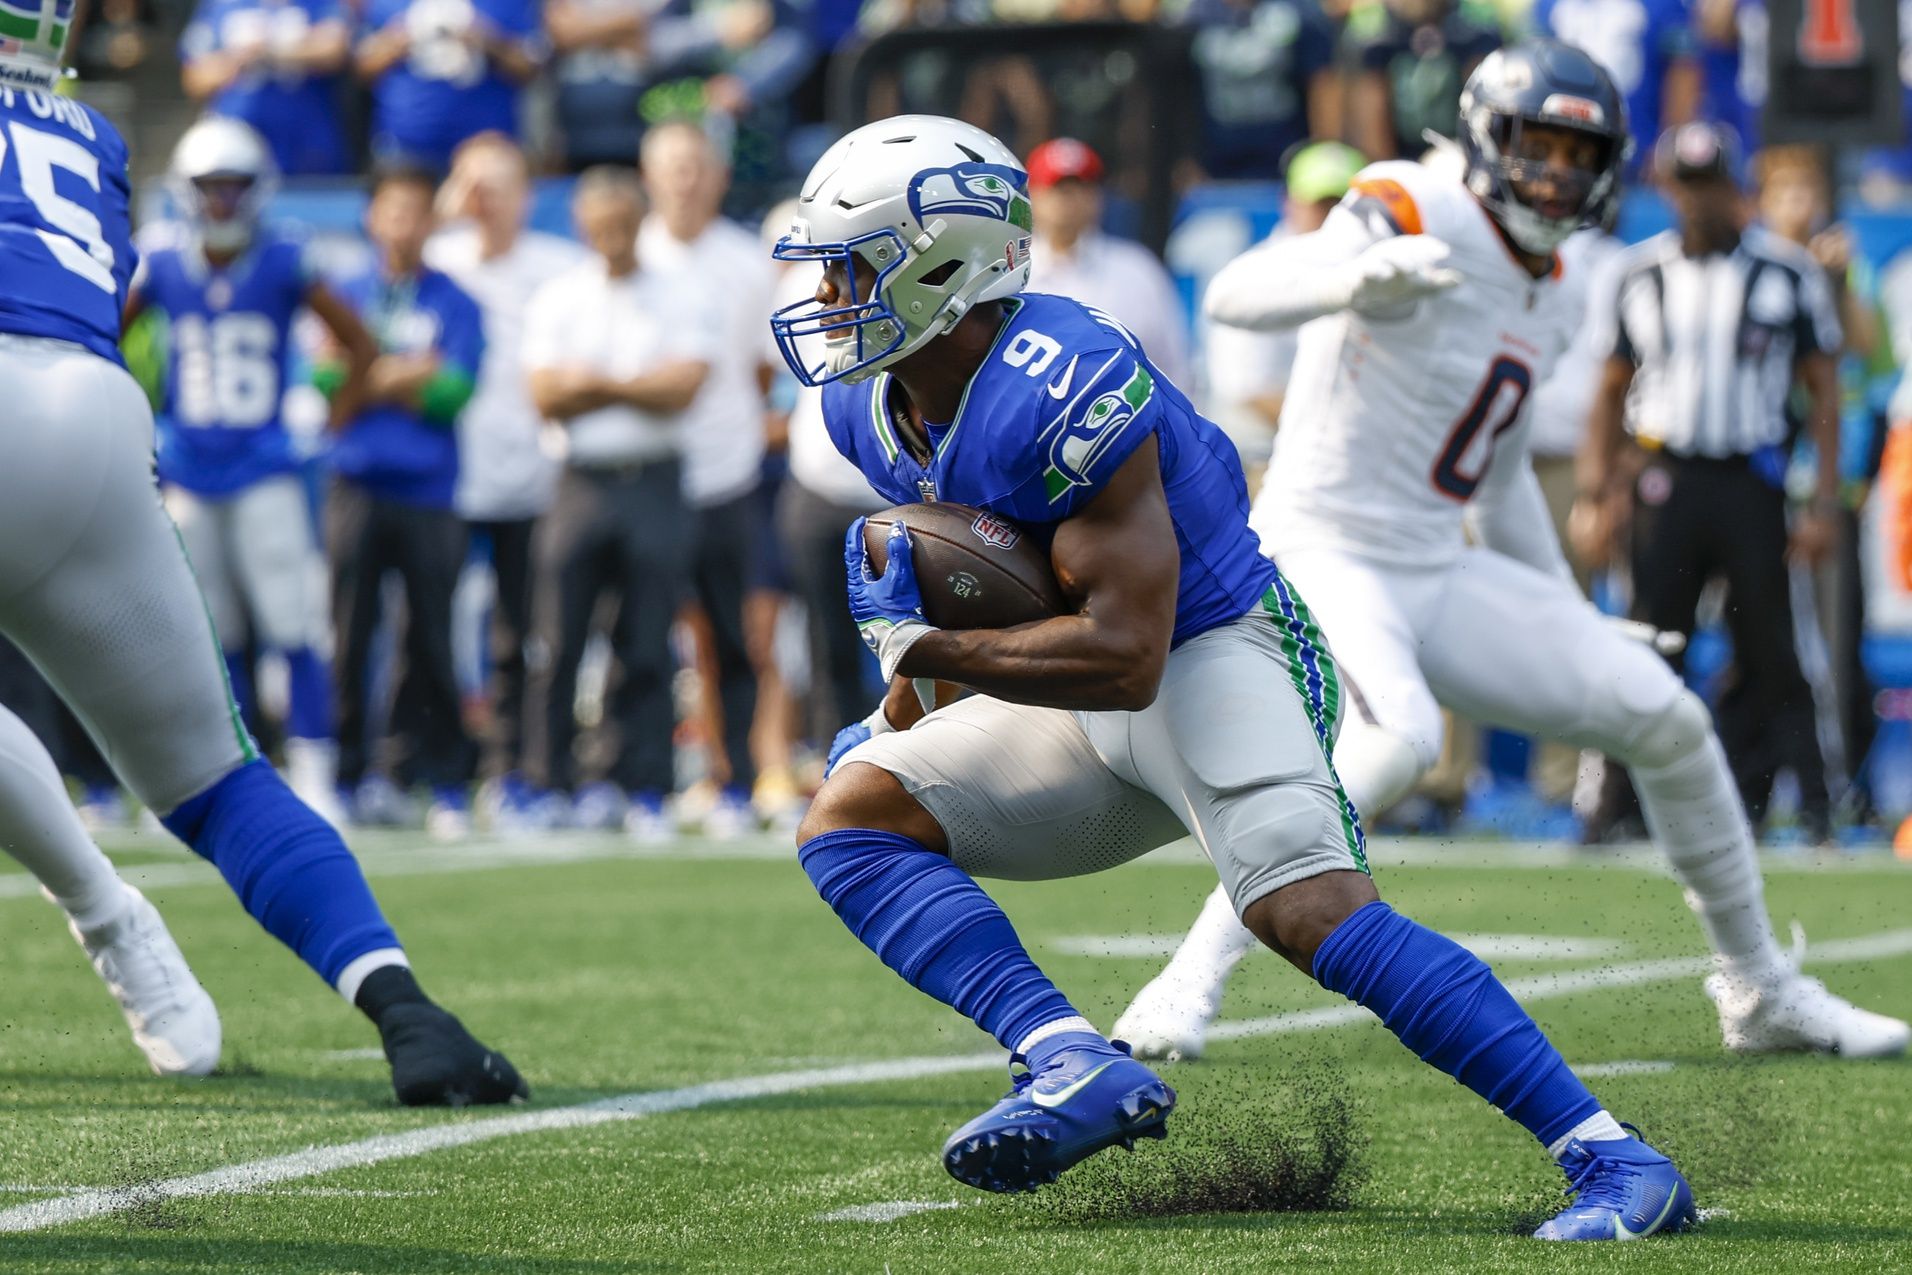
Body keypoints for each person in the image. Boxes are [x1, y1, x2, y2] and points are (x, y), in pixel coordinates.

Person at [775, 111, 1695, 1240]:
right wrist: (902, 706)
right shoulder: (870, 402)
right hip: (1078, 691)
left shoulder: (1060, 384)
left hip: (1216, 656)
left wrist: (923, 649)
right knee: (854, 815)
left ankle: (1614, 1159)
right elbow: (998, 581)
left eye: (852, 267)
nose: (828, 299)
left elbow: (1125, 654)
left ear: (944, 265)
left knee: (1306, 912)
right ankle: (1068, 1058)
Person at [1113, 49, 1907, 1073]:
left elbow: (1488, 476)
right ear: (1486, 136)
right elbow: (1235, 293)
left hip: (1436, 561)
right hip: (1329, 546)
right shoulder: (1415, 200)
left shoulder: (1563, 283)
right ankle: (1186, 980)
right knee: (1393, 740)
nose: (1554, 173)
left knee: (1664, 716)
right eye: (1537, 145)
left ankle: (1756, 989)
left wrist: (1563, 608)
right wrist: (1351, 274)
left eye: (1578, 153)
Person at [0, 6, 523, 1105]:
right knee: (218, 779)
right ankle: (409, 1016)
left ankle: (101, 905)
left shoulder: (257, 258)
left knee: (285, 638)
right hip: (98, 422)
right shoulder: (91, 137)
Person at [1575, 124, 1844, 841]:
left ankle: (1805, 804)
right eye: (1686, 184)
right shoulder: (1636, 274)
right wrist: (1596, 492)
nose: (1699, 199)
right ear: (1667, 188)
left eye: (1711, 183)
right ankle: (1615, 812)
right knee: (1649, 644)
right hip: (1666, 477)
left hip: (1752, 478)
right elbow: (1608, 391)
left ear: (1736, 187)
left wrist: (1820, 499)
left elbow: (1824, 392)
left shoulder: (1786, 272)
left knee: (1773, 648)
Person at [127, 118, 366, 830]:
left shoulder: (288, 258)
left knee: (292, 623)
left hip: (265, 468)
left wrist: (331, 418)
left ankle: (315, 768)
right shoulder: (162, 261)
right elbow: (100, 337)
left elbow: (359, 341)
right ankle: (227, 773)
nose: (224, 202)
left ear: (257, 189)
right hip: (192, 470)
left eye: (234, 187)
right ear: (186, 190)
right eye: (211, 187)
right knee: (210, 633)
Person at [520, 168, 720, 840]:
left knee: (646, 635)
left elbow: (683, 386)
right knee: (559, 636)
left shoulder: (678, 288)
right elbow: (545, 393)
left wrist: (595, 384)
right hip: (581, 479)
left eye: (622, 224)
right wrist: (634, 383)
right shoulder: (559, 295)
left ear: (641, 221)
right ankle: (546, 781)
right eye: (598, 225)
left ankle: (644, 783)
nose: (611, 237)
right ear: (582, 227)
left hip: (653, 478)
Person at [424, 133, 587, 828]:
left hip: (534, 476)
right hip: (447, 476)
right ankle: (439, 771)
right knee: (427, 629)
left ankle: (525, 767)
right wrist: (446, 210)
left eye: (499, 186)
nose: (485, 201)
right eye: (473, 185)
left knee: (529, 633)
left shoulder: (560, 267)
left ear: (526, 195)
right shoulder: (439, 259)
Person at [324, 163, 484, 837]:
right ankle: (346, 773)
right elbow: (326, 382)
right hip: (355, 484)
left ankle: (440, 778)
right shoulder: (343, 293)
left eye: (417, 212)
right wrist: (401, 373)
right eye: (392, 211)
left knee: (431, 635)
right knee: (349, 632)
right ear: (372, 218)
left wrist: (369, 375)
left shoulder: (455, 299)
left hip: (428, 489)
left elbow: (453, 392)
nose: (404, 225)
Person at [637, 120, 778, 837]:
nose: (685, 179)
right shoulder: (631, 256)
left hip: (726, 472)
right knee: (641, 634)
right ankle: (650, 781)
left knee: (734, 637)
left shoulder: (745, 262)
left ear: (719, 176)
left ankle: (740, 778)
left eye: (696, 165)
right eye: (672, 165)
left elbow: (759, 368)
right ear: (648, 175)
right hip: (647, 474)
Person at [1756, 144, 1896, 825]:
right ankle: (1767, 780)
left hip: (1827, 487)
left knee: (1837, 645)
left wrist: (1836, 285)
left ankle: (1843, 784)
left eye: (1807, 191)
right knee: (1763, 639)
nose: (1799, 205)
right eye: (1785, 192)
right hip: (1757, 482)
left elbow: (1867, 357)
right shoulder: (1755, 273)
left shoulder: (1847, 271)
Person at [1204, 140, 1365, 472]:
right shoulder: (1257, 273)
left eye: (1344, 204)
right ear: (1290, 203)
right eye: (1321, 203)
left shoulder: (1375, 269)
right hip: (1256, 457)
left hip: (1341, 454)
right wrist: (1347, 434)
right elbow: (1249, 392)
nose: (1333, 216)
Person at [1024, 138, 1190, 389]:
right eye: (1059, 188)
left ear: (1098, 195)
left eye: (1082, 186)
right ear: (1033, 195)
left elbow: (1173, 368)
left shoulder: (1137, 269)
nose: (1070, 200)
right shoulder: (1010, 268)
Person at [354, 0, 545, 171]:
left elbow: (531, 66)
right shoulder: (385, 4)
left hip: (486, 147)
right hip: (404, 145)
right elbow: (361, 67)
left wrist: (487, 39)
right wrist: (399, 38)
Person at [180, 0, 354, 176]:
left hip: (307, 140)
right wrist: (239, 59)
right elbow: (195, 78)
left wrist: (271, 51)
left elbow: (335, 52)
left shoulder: (318, 4)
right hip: (238, 140)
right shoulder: (221, 6)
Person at [1529, 0, 1699, 174]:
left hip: (1641, 153)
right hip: (1567, 145)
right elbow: (1538, 67)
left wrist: (1668, 147)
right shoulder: (1549, 4)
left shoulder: (1664, 4)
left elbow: (1683, 74)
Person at [1179, 0, 1341, 181]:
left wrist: (1325, 151)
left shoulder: (1300, 11)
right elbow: (1179, 91)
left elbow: (1321, 85)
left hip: (1290, 161)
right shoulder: (1195, 16)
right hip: (1214, 165)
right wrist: (1184, 159)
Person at [1343, 0, 1501, 162]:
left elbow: (1483, 110)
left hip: (1457, 156)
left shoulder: (1474, 31)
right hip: (1400, 158)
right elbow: (1372, 136)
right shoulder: (1376, 38)